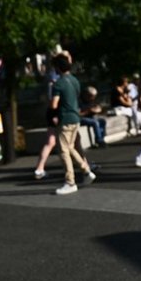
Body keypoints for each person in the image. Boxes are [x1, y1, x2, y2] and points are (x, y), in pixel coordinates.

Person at [50, 54, 96, 195]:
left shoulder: (58, 84)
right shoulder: (75, 80)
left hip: (65, 119)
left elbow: (54, 104)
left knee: (63, 151)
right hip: (75, 117)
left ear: (58, 68)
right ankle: (86, 170)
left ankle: (70, 182)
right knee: (70, 147)